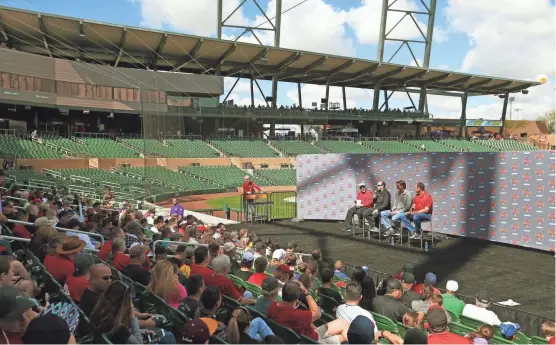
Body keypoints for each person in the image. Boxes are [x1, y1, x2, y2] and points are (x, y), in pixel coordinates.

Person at [267, 280, 350, 343]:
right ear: (296, 298)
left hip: (305, 334)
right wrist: (306, 292)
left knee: (343, 322)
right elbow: (317, 314)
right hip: (313, 341)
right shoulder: (298, 315)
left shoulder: (272, 306)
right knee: (344, 335)